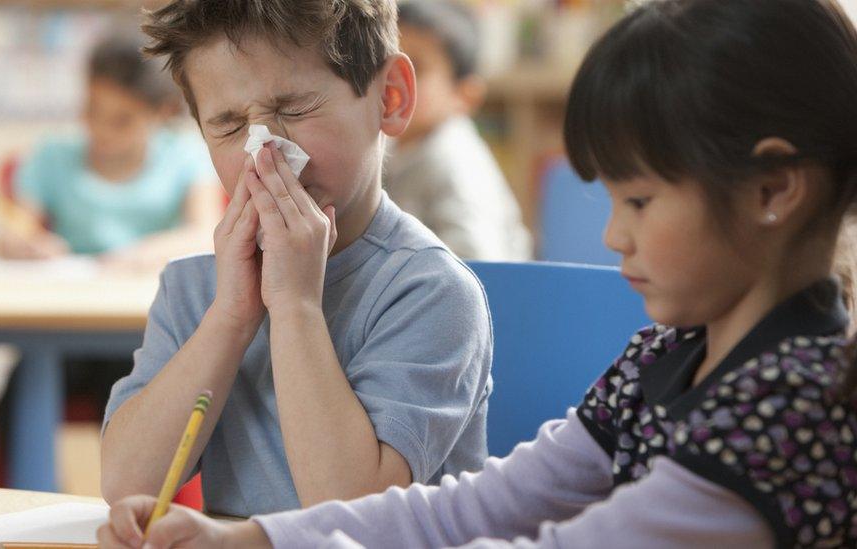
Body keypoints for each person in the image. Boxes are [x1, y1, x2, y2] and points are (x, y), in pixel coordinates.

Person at [99, 0, 857, 546]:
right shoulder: (667, 355)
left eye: (639, 199)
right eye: (230, 126)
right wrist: (257, 536)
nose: (612, 233)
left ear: (772, 190)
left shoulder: (791, 401)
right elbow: (487, 503)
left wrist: (292, 306)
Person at [99, 0, 493, 519]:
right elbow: (127, 483)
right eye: (229, 124)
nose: (265, 152)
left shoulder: (431, 292)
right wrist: (232, 317)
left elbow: (351, 515)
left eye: (293, 109)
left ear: (390, 98)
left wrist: (294, 306)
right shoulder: (196, 289)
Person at [0, 30, 223, 487]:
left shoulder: (184, 157)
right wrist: (25, 244)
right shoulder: (54, 156)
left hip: (144, 338)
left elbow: (205, 233)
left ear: (161, 114)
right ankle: (34, 508)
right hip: (60, 332)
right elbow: (13, 231)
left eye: (122, 120)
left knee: (146, 410)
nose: (102, 131)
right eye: (92, 113)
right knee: (15, 402)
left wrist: (138, 253)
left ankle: (145, 507)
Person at [384, 0, 531, 261]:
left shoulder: (456, 162)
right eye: (385, 61)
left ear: (464, 96)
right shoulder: (393, 146)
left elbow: (480, 264)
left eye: (416, 68)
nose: (392, 79)